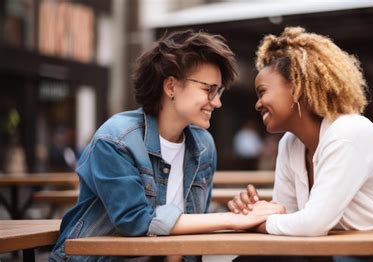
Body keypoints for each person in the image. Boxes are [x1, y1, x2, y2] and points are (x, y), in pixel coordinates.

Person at [49, 30, 285, 262]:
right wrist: (232, 219)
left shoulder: (203, 145)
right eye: (208, 89)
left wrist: (242, 212)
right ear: (171, 86)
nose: (217, 102)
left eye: (219, 91)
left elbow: (192, 223)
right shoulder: (116, 139)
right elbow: (136, 221)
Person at [227, 27, 373, 262]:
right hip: (347, 253)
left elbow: (312, 224)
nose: (258, 104)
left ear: (298, 87)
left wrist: (256, 222)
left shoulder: (347, 133)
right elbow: (287, 220)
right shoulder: (290, 144)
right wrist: (257, 212)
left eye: (262, 92)